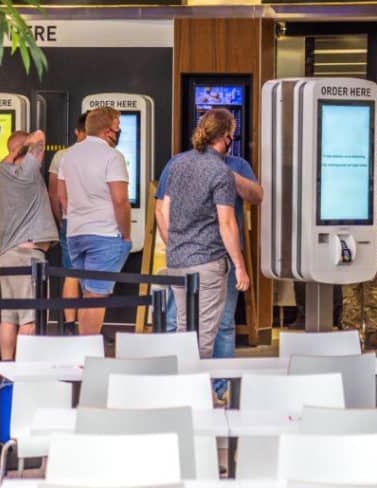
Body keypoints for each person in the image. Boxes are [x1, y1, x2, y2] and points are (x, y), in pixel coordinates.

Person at [155, 116, 262, 393]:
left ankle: (176, 390)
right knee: (205, 336)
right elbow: (226, 223)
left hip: (177, 261)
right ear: (225, 136)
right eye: (232, 135)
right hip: (209, 262)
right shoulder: (220, 171)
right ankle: (198, 395)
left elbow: (164, 211)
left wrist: (177, 245)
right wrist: (239, 265)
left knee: (183, 327)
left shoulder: (178, 164)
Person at [57, 107, 131, 337]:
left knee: (87, 293)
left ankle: (84, 349)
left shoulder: (68, 155)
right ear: (109, 131)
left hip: (76, 233)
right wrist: (126, 234)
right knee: (96, 296)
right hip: (105, 234)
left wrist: (81, 216)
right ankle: (87, 353)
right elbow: (120, 200)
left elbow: (62, 196)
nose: (119, 133)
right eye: (118, 128)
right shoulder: (112, 156)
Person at [0, 130, 58, 359]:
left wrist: (14, 152)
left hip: (6, 256)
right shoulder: (27, 174)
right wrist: (27, 145)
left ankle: (7, 371)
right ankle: (25, 371)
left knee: (8, 319)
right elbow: (40, 135)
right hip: (27, 256)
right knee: (30, 319)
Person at [341, 128, 377, 350]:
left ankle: (366, 333)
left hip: (363, 236)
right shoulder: (376, 170)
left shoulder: (354, 169)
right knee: (356, 287)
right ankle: (360, 332)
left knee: (368, 285)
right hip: (359, 236)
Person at [47, 111, 88, 335]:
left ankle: (69, 326)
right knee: (94, 278)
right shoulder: (107, 154)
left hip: (69, 222)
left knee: (71, 273)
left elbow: (54, 194)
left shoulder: (61, 156)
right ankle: (88, 328)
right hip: (96, 224)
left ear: (77, 131)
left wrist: (59, 219)